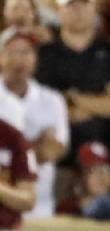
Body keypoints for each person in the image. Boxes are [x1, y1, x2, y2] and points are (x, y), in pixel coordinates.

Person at [35, 0, 110, 202]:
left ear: (94, 7)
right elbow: (43, 110)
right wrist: (101, 103)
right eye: (71, 5)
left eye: (84, 3)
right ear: (59, 10)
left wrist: (72, 98)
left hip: (107, 164)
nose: (78, 10)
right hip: (60, 166)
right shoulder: (44, 54)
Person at [0, 28, 69, 219]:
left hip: (40, 205)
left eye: (26, 52)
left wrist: (11, 153)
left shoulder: (52, 100)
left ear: (35, 59)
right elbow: (41, 151)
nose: (19, 60)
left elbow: (51, 151)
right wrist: (33, 145)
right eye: (12, 52)